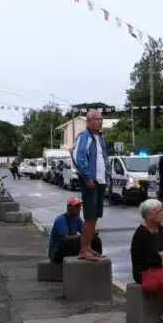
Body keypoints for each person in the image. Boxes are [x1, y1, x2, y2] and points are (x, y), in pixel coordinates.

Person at [73, 110, 111, 260]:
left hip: (100, 181)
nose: (100, 122)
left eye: (101, 119)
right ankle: (83, 249)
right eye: (96, 119)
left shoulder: (100, 138)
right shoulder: (85, 136)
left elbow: (104, 158)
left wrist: (107, 174)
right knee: (89, 217)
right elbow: (78, 157)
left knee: (95, 217)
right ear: (88, 122)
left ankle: (89, 247)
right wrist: (87, 177)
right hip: (91, 182)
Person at [49, 197, 103, 263]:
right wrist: (82, 237)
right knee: (78, 240)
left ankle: (98, 259)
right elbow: (66, 238)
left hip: (68, 247)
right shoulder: (61, 219)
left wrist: (92, 233)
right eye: (76, 206)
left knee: (96, 240)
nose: (79, 209)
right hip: (57, 252)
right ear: (69, 207)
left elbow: (85, 232)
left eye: (80, 206)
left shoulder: (76, 219)